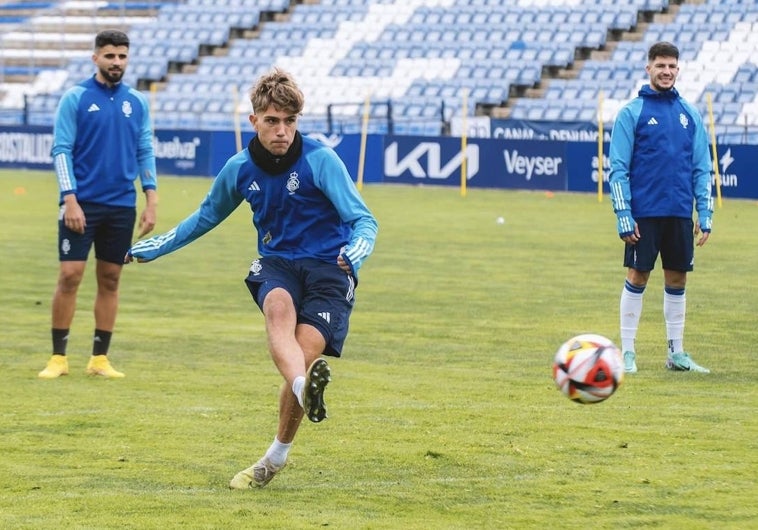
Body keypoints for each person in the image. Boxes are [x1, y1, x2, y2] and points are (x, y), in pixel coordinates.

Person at [125, 67, 378, 488]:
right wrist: (156, 246)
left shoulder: (320, 159)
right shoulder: (239, 169)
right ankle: (304, 389)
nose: (282, 131)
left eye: (290, 122)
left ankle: (274, 456)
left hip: (329, 269)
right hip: (277, 262)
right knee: (277, 307)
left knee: (305, 353)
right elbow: (205, 217)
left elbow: (363, 220)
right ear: (254, 120)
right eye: (272, 121)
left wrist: (356, 252)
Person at [38, 29, 158, 379]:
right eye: (110, 56)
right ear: (96, 58)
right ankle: (58, 357)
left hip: (121, 206)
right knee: (69, 275)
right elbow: (61, 150)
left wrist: (151, 200)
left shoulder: (137, 102)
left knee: (110, 279)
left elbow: (145, 150)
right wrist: (70, 199)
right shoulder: (75, 98)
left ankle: (99, 358)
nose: (116, 62)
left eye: (122, 56)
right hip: (82, 205)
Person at [608, 41, 713, 374]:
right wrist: (623, 214)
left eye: (672, 66)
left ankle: (676, 353)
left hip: (680, 212)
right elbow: (618, 168)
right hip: (644, 214)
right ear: (648, 68)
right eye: (660, 66)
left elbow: (702, 167)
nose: (666, 71)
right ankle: (628, 352)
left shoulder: (689, 113)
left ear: (678, 69)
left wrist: (705, 213)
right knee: (638, 276)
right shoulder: (631, 113)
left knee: (678, 279)